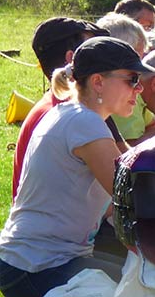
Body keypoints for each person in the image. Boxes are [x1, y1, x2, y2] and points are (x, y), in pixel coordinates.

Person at [0, 37, 155, 297]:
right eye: (131, 79)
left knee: (144, 281)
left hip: (32, 264)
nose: (139, 88)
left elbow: (112, 207)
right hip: (34, 270)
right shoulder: (85, 123)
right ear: (98, 82)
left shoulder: (73, 114)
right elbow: (133, 197)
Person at [11, 17, 113, 201]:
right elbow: (121, 189)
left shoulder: (59, 104)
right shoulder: (76, 114)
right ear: (73, 59)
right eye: (95, 49)